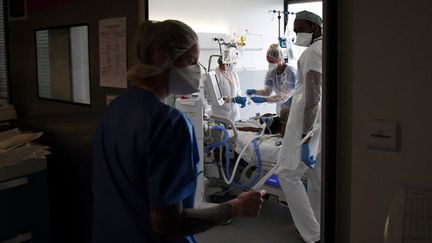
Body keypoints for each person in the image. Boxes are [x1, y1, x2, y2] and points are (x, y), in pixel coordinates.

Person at [92, 20, 265, 243]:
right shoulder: (169, 124)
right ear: (165, 59)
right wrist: (234, 208)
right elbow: (167, 223)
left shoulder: (113, 111)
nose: (198, 69)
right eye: (192, 61)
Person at [276, 10, 323, 243]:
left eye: (300, 29)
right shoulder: (325, 48)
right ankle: (318, 226)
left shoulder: (313, 52)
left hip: (307, 123)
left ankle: (312, 234)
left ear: (314, 28)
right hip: (320, 123)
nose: (297, 35)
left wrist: (304, 136)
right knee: (317, 177)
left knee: (286, 173)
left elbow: (313, 96)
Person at [246, 43, 296, 116]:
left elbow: (284, 96)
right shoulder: (271, 73)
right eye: (268, 62)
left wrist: (264, 100)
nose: (270, 65)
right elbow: (267, 92)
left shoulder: (290, 72)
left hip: (293, 108)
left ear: (280, 59)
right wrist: (254, 91)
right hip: (280, 108)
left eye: (272, 62)